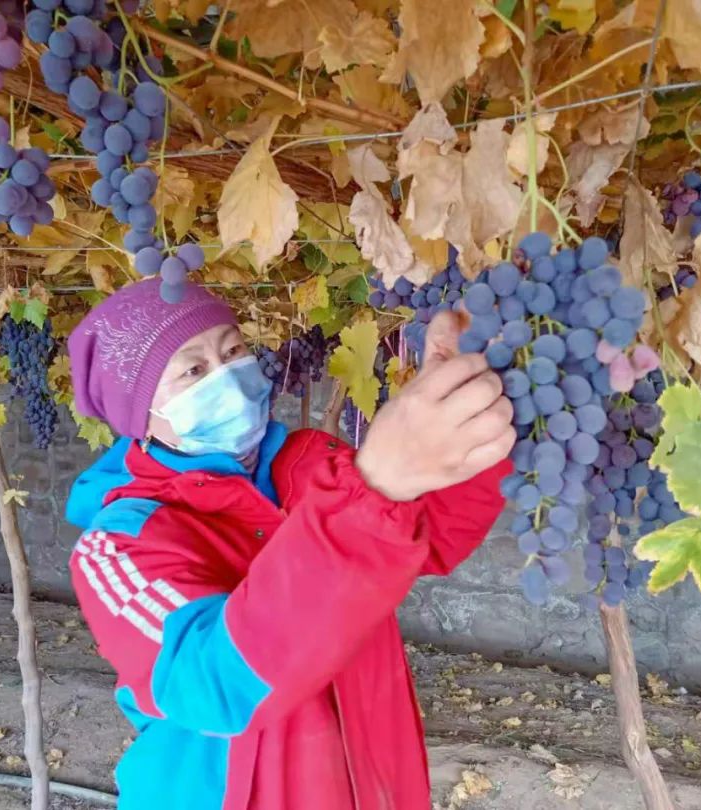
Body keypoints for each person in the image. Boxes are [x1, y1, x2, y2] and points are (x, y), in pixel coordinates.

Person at [65, 277, 515, 809]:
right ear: (139, 414)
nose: (228, 375)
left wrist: (465, 413)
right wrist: (374, 492)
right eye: (193, 369)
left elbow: (430, 535)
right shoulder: (117, 546)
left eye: (233, 350)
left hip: (365, 780)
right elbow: (215, 684)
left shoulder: (309, 465)